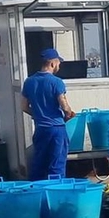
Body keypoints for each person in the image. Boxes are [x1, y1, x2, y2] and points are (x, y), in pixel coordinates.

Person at [21, 48, 76, 181]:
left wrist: (38, 115)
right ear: (52, 64)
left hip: (40, 129)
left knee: (39, 165)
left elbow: (23, 106)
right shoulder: (56, 82)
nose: (59, 66)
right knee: (56, 166)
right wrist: (69, 114)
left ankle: (37, 195)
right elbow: (64, 105)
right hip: (56, 129)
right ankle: (56, 195)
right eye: (58, 63)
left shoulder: (29, 81)